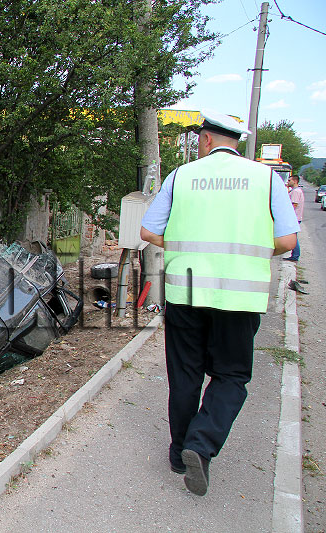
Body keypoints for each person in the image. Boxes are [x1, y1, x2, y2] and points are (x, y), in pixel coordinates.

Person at [139, 111, 299, 496]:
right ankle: (201, 443)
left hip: (187, 291)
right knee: (231, 376)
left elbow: (148, 231)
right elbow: (288, 241)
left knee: (185, 374)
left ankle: (179, 454)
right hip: (239, 295)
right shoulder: (266, 179)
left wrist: (182, 245)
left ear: (206, 140)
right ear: (236, 144)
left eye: (199, 139)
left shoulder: (181, 177)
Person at [285, 175, 304, 262]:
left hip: (294, 217)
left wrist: (288, 215)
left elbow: (294, 204)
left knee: (293, 237)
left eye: (290, 180)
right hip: (296, 217)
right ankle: (295, 254)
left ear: (295, 181)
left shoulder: (296, 192)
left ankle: (295, 255)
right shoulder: (296, 191)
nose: (288, 182)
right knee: (293, 236)